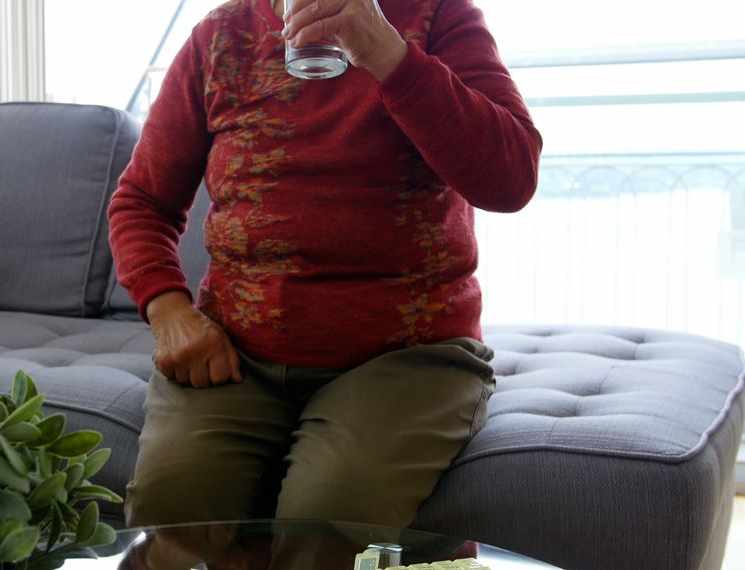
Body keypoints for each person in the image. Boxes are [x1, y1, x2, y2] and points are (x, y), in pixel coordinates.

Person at [108, 0, 542, 533]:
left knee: (327, 524)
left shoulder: (440, 17)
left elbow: (511, 179)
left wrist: (386, 53)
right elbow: (142, 201)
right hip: (235, 355)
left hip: (407, 358)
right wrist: (169, 310)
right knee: (169, 517)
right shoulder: (220, 35)